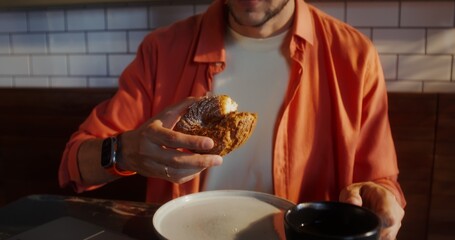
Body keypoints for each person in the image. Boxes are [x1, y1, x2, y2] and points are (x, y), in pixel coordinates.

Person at [59, 0, 406, 239]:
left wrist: (381, 202)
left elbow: (380, 184)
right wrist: (126, 150)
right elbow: (74, 163)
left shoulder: (353, 56)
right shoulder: (162, 50)